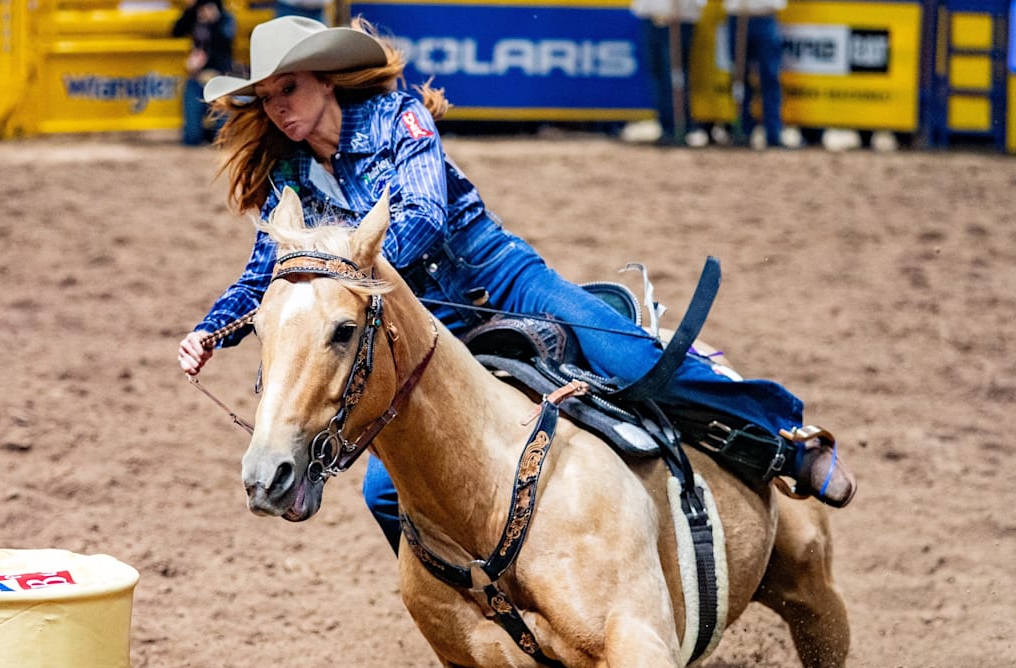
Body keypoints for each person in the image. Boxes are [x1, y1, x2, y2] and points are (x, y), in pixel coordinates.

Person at [176, 17, 856, 547]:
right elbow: (268, 274)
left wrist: (355, 268)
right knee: (387, 493)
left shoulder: (398, 120)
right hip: (424, 328)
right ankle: (463, 609)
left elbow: (425, 214)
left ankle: (785, 441)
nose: (278, 110)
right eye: (265, 99)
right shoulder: (288, 178)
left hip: (497, 276)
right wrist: (214, 329)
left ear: (325, 80)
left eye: (287, 89)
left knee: (631, 357)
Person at [630, 0, 708, 147]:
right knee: (657, 76)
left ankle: (680, 127)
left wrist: (684, 10)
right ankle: (666, 127)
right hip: (651, 19)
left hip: (679, 21)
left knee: (674, 77)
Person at [172, 0, 236, 147]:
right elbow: (176, 31)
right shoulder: (194, 14)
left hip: (219, 76)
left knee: (222, 138)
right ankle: (203, 131)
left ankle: (211, 131)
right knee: (191, 138)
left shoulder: (226, 18)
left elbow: (225, 46)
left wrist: (213, 22)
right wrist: (189, 12)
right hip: (197, 77)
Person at [723, 0, 785, 147]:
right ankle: (743, 130)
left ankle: (773, 134)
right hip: (738, 17)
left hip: (765, 16)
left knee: (770, 78)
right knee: (739, 78)